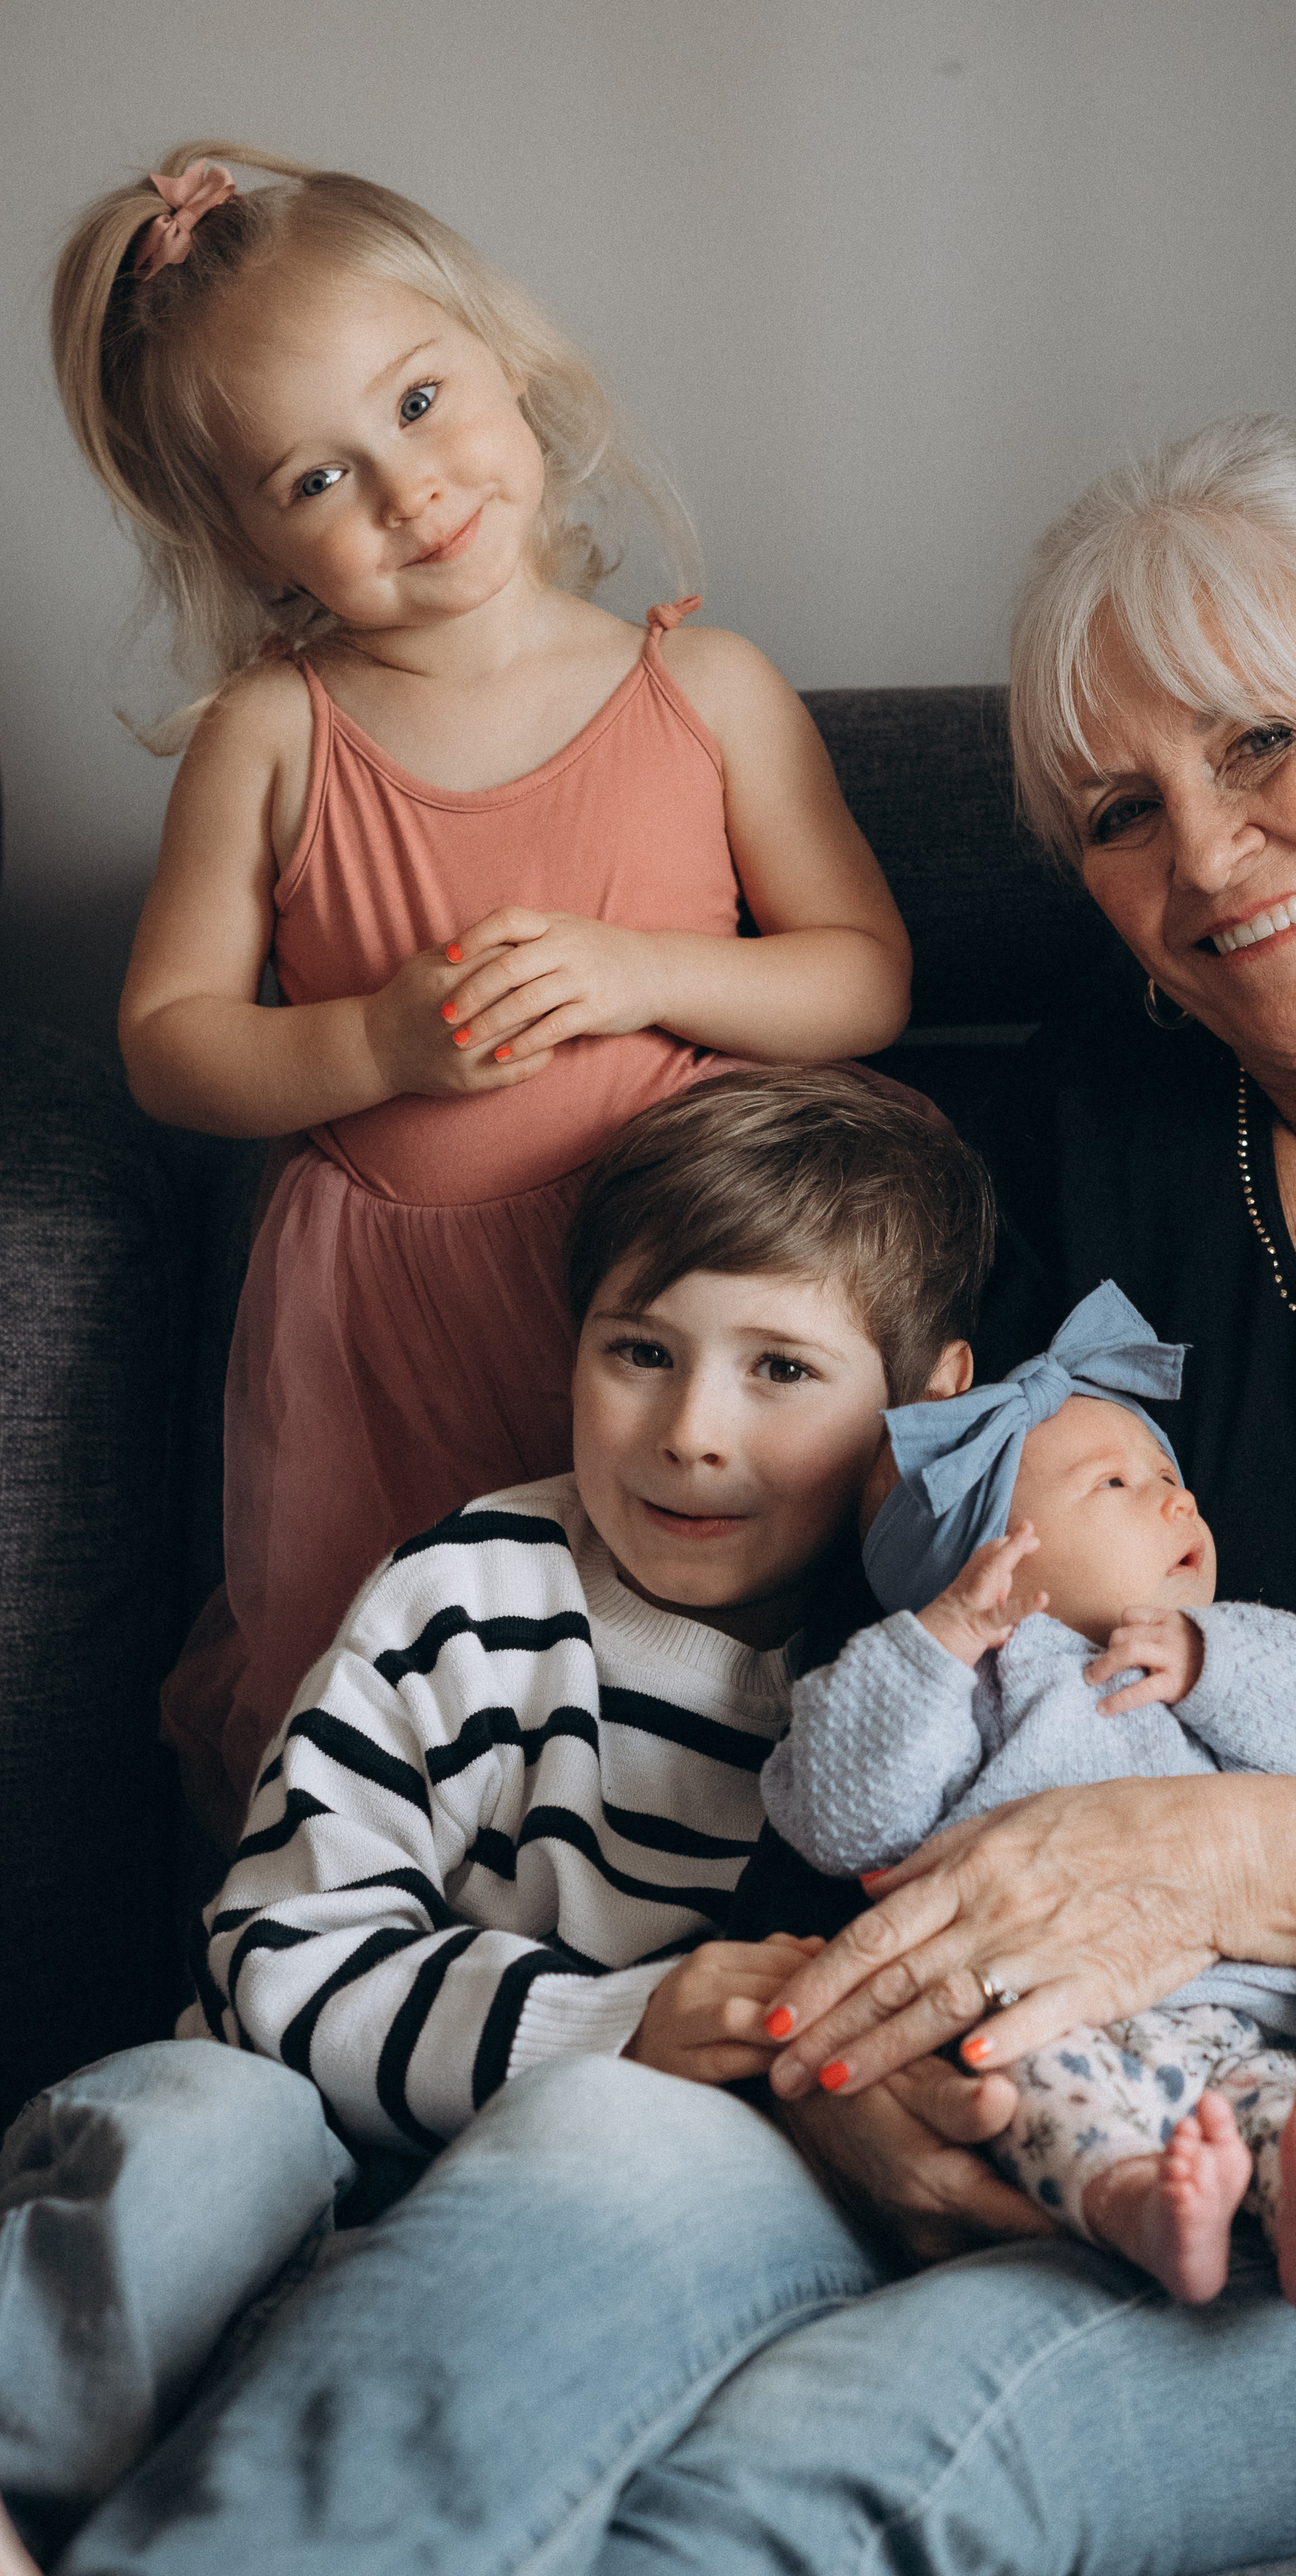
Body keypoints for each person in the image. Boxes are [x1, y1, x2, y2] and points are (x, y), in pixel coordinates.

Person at [35, 417, 1296, 2576]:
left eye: (1265, 738)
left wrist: (1240, 1852)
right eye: (1120, 816)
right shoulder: (1106, 1146)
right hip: (1035, 2054)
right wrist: (846, 2050)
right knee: (595, 2160)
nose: (1212, 855)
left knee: (824, 2459)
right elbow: (889, 1615)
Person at [0, 1068, 995, 2558]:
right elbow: (273, 1957)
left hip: (554, 2263)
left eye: (780, 1371)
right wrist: (609, 2026)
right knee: (202, 2129)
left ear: (925, 1407)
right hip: (317, 2121)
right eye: (640, 1352)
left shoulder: (920, 1673)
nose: (690, 1431)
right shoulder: (471, 1591)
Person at [49, 146, 912, 1846]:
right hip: (385, 1325)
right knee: (403, 1720)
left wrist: (641, 973)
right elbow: (167, 1043)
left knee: (694, 1693)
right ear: (240, 533)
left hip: (677, 1286)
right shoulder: (272, 735)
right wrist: (371, 1041)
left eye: (424, 400)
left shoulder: (706, 690)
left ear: (507, 362)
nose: (408, 490)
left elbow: (864, 979)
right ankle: (384, 2015)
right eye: (316, 477)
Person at [763, 1281, 1296, 2311]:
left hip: (1223, 2023)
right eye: (1114, 1483)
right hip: (1027, 2008)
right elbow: (844, 1818)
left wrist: (1213, 1661)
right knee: (1035, 2096)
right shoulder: (960, 1686)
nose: (1176, 1500)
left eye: (1169, 1474)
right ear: (991, 1564)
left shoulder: (1220, 1654)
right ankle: (1145, 2210)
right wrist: (937, 1647)